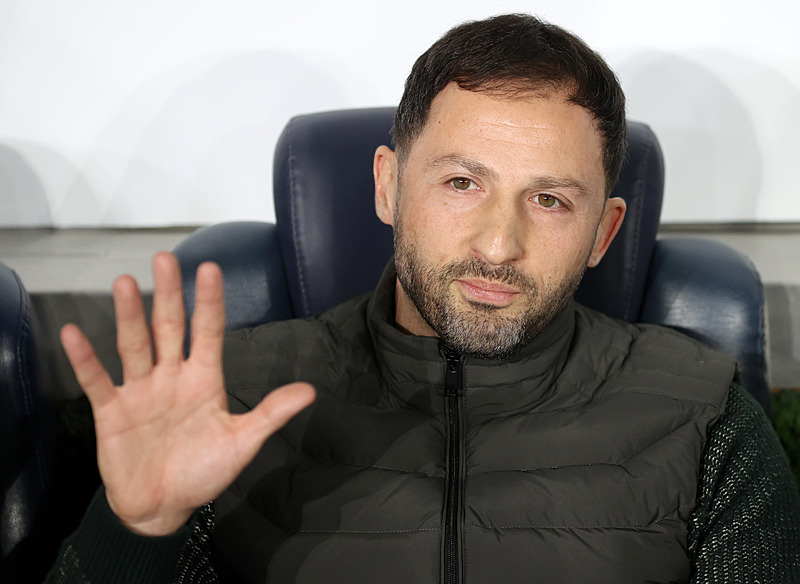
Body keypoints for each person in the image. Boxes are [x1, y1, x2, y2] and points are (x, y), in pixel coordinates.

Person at [46, 13, 799, 584]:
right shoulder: (231, 399)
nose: (498, 245)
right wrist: (137, 530)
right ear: (387, 186)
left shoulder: (705, 415)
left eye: (549, 200)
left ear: (603, 232)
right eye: (461, 183)